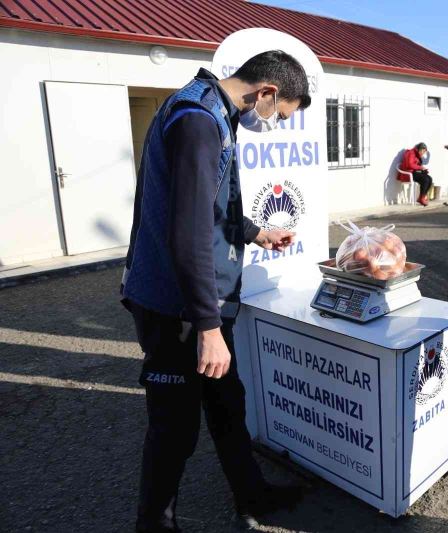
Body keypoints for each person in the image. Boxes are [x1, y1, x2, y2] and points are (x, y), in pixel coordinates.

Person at [121, 51, 312, 532]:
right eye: (280, 113)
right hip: (177, 309)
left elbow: (209, 203)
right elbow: (186, 233)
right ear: (265, 93)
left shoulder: (211, 109)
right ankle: (154, 525)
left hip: (203, 306)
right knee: (174, 429)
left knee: (228, 406)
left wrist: (254, 232)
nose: (274, 123)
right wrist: (206, 326)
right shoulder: (197, 121)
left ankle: (253, 495)